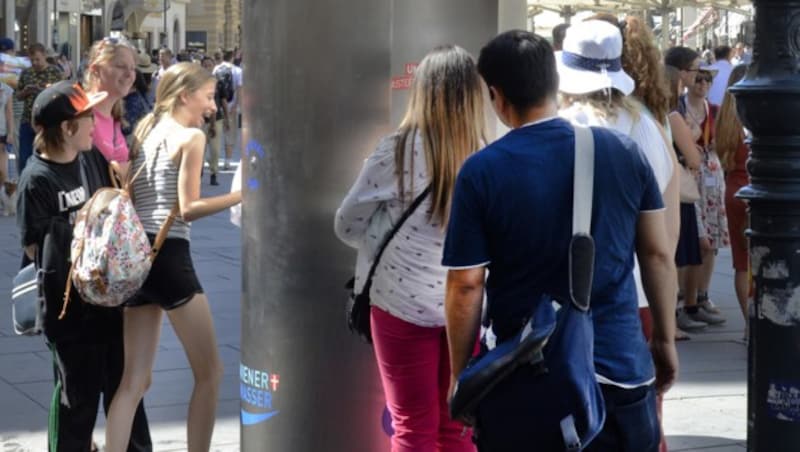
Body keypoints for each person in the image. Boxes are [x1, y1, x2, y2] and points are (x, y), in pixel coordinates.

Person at [444, 30, 677, 451]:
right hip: (620, 368)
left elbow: (466, 284)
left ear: (496, 95)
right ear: (555, 83)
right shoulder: (624, 151)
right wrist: (664, 339)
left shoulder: (482, 171)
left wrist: (463, 376)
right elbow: (658, 255)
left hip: (526, 376)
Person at [335, 45, 486, 452]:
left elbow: (346, 223)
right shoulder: (486, 154)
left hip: (400, 304)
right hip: (465, 307)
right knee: (457, 426)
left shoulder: (397, 150)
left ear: (422, 91)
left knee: (411, 426)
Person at [104, 62, 242, 452]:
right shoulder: (190, 136)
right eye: (208, 96)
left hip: (135, 258)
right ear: (185, 95)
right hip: (169, 258)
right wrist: (243, 194)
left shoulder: (145, 129)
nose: (213, 106)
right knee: (211, 372)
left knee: (134, 381)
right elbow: (189, 207)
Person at [16, 81, 152, 452]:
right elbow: (33, 247)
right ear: (67, 128)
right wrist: (78, 229)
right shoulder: (37, 179)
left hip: (108, 303)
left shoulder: (91, 159)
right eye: (88, 117)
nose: (96, 123)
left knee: (126, 390)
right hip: (69, 313)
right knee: (77, 401)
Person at [664, 47, 723, 330]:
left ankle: (690, 303)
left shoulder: (674, 108)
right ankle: (672, 316)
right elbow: (693, 155)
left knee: (695, 246)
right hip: (681, 186)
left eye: (705, 77)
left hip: (683, 185)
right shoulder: (675, 112)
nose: (700, 80)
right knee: (678, 250)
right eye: (695, 72)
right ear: (682, 73)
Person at [679, 63, 729, 326]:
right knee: (694, 240)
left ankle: (702, 294)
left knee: (712, 241)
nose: (703, 84)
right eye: (698, 79)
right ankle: (684, 298)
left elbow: (724, 142)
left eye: (707, 81)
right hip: (689, 175)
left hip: (711, 174)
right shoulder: (679, 108)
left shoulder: (715, 110)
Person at [714, 64, 749, 325]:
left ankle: (749, 325)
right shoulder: (756, 120)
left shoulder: (725, 120)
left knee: (741, 262)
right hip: (755, 192)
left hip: (733, 190)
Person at [15, 42, 63, 174]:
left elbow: (62, 93)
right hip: (27, 119)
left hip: (47, 121)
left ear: (44, 56)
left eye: (37, 59)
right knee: (24, 156)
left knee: (46, 154)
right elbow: (18, 96)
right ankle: (24, 182)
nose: (35, 63)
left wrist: (44, 91)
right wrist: (25, 92)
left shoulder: (55, 71)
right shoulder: (26, 73)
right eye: (32, 60)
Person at [213, 50, 241, 170]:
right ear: (233, 57)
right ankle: (228, 161)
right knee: (230, 133)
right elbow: (240, 89)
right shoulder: (238, 70)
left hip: (218, 106)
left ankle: (215, 160)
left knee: (218, 133)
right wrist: (236, 105)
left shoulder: (216, 69)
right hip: (231, 105)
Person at [201, 56, 220, 185]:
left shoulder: (218, 82)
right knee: (199, 149)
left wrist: (228, 119)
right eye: (205, 65)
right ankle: (199, 173)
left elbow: (221, 100)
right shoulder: (197, 83)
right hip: (200, 120)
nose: (207, 67)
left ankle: (213, 172)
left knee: (215, 150)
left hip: (216, 120)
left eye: (210, 65)